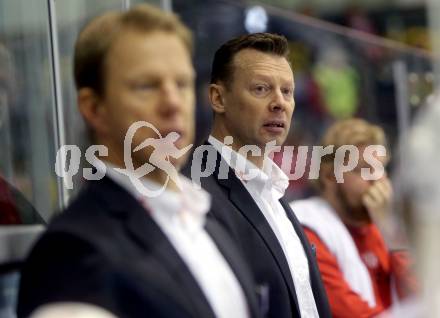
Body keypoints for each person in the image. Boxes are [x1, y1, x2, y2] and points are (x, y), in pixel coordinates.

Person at [17, 5, 261, 318]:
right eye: (146, 85)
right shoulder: (74, 254)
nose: (173, 103)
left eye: (182, 84)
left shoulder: (206, 216)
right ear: (94, 108)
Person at [189, 32, 331, 318]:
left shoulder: (274, 193)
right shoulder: (194, 196)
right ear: (218, 98)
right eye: (261, 89)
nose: (280, 103)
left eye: (287, 91)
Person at [290, 118, 417, 317]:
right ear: (330, 176)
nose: (378, 180)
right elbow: (348, 312)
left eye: (381, 168)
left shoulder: (381, 226)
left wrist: (393, 233)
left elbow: (422, 299)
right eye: (364, 169)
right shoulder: (307, 230)